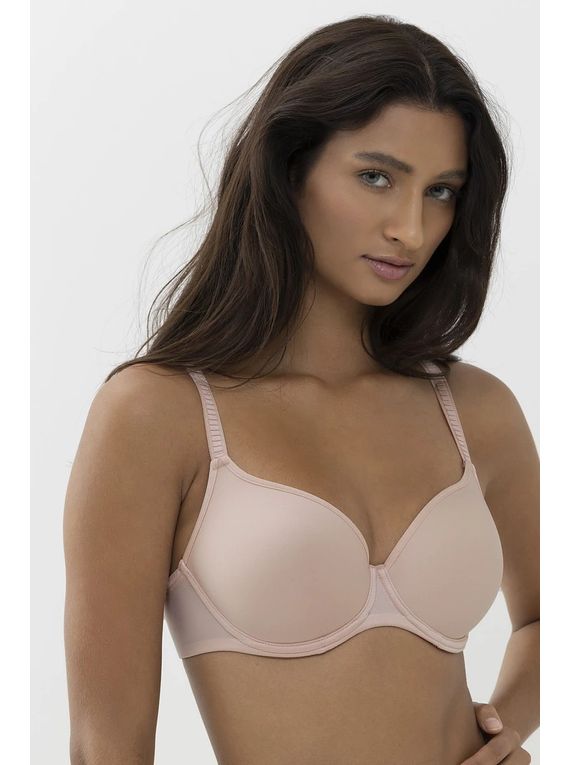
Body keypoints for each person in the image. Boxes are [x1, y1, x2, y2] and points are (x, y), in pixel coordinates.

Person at [63, 14, 539, 765]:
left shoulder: (476, 411)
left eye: (442, 191)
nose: (412, 229)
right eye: (376, 177)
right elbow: (105, 746)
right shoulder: (159, 414)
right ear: (291, 169)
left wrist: (500, 733)